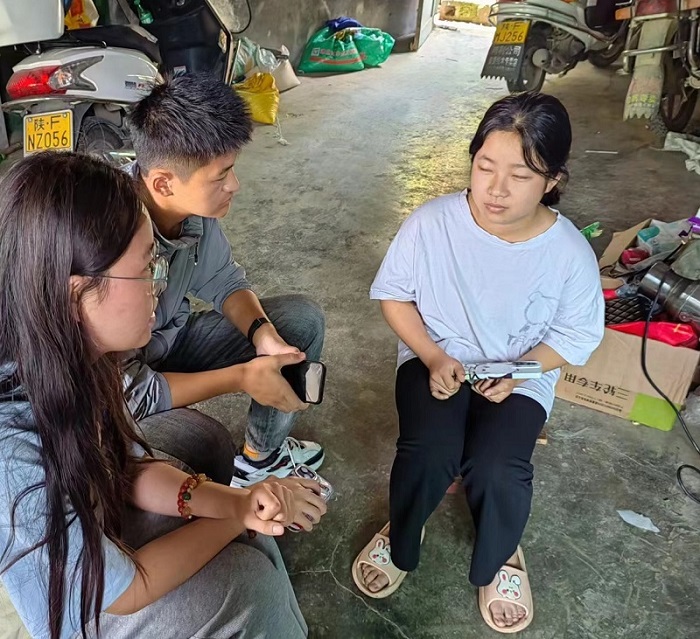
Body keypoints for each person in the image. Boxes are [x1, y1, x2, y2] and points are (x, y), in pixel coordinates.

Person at [0, 152, 327, 639]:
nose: (161, 281)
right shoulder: (13, 453)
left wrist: (241, 503)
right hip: (89, 602)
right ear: (75, 295)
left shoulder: (82, 352)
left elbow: (125, 466)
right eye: (146, 269)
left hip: (100, 521)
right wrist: (240, 512)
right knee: (248, 583)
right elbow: (123, 590)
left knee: (220, 470)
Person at [352, 93, 604, 633]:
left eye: (520, 175)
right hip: (435, 356)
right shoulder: (431, 223)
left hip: (522, 372)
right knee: (428, 452)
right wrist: (432, 354)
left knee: (499, 467)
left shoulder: (568, 253)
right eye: (485, 166)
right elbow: (394, 296)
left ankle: (501, 552)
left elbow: (577, 335)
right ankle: (404, 530)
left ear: (553, 180)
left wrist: (520, 373)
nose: (496, 188)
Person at [123, 73, 326, 487]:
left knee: (298, 322)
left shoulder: (190, 210)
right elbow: (131, 394)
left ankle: (259, 459)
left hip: (165, 341)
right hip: (112, 384)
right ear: (163, 182)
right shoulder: (107, 234)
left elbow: (223, 280)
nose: (235, 185)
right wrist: (241, 377)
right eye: (221, 176)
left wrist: (263, 335)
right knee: (203, 448)